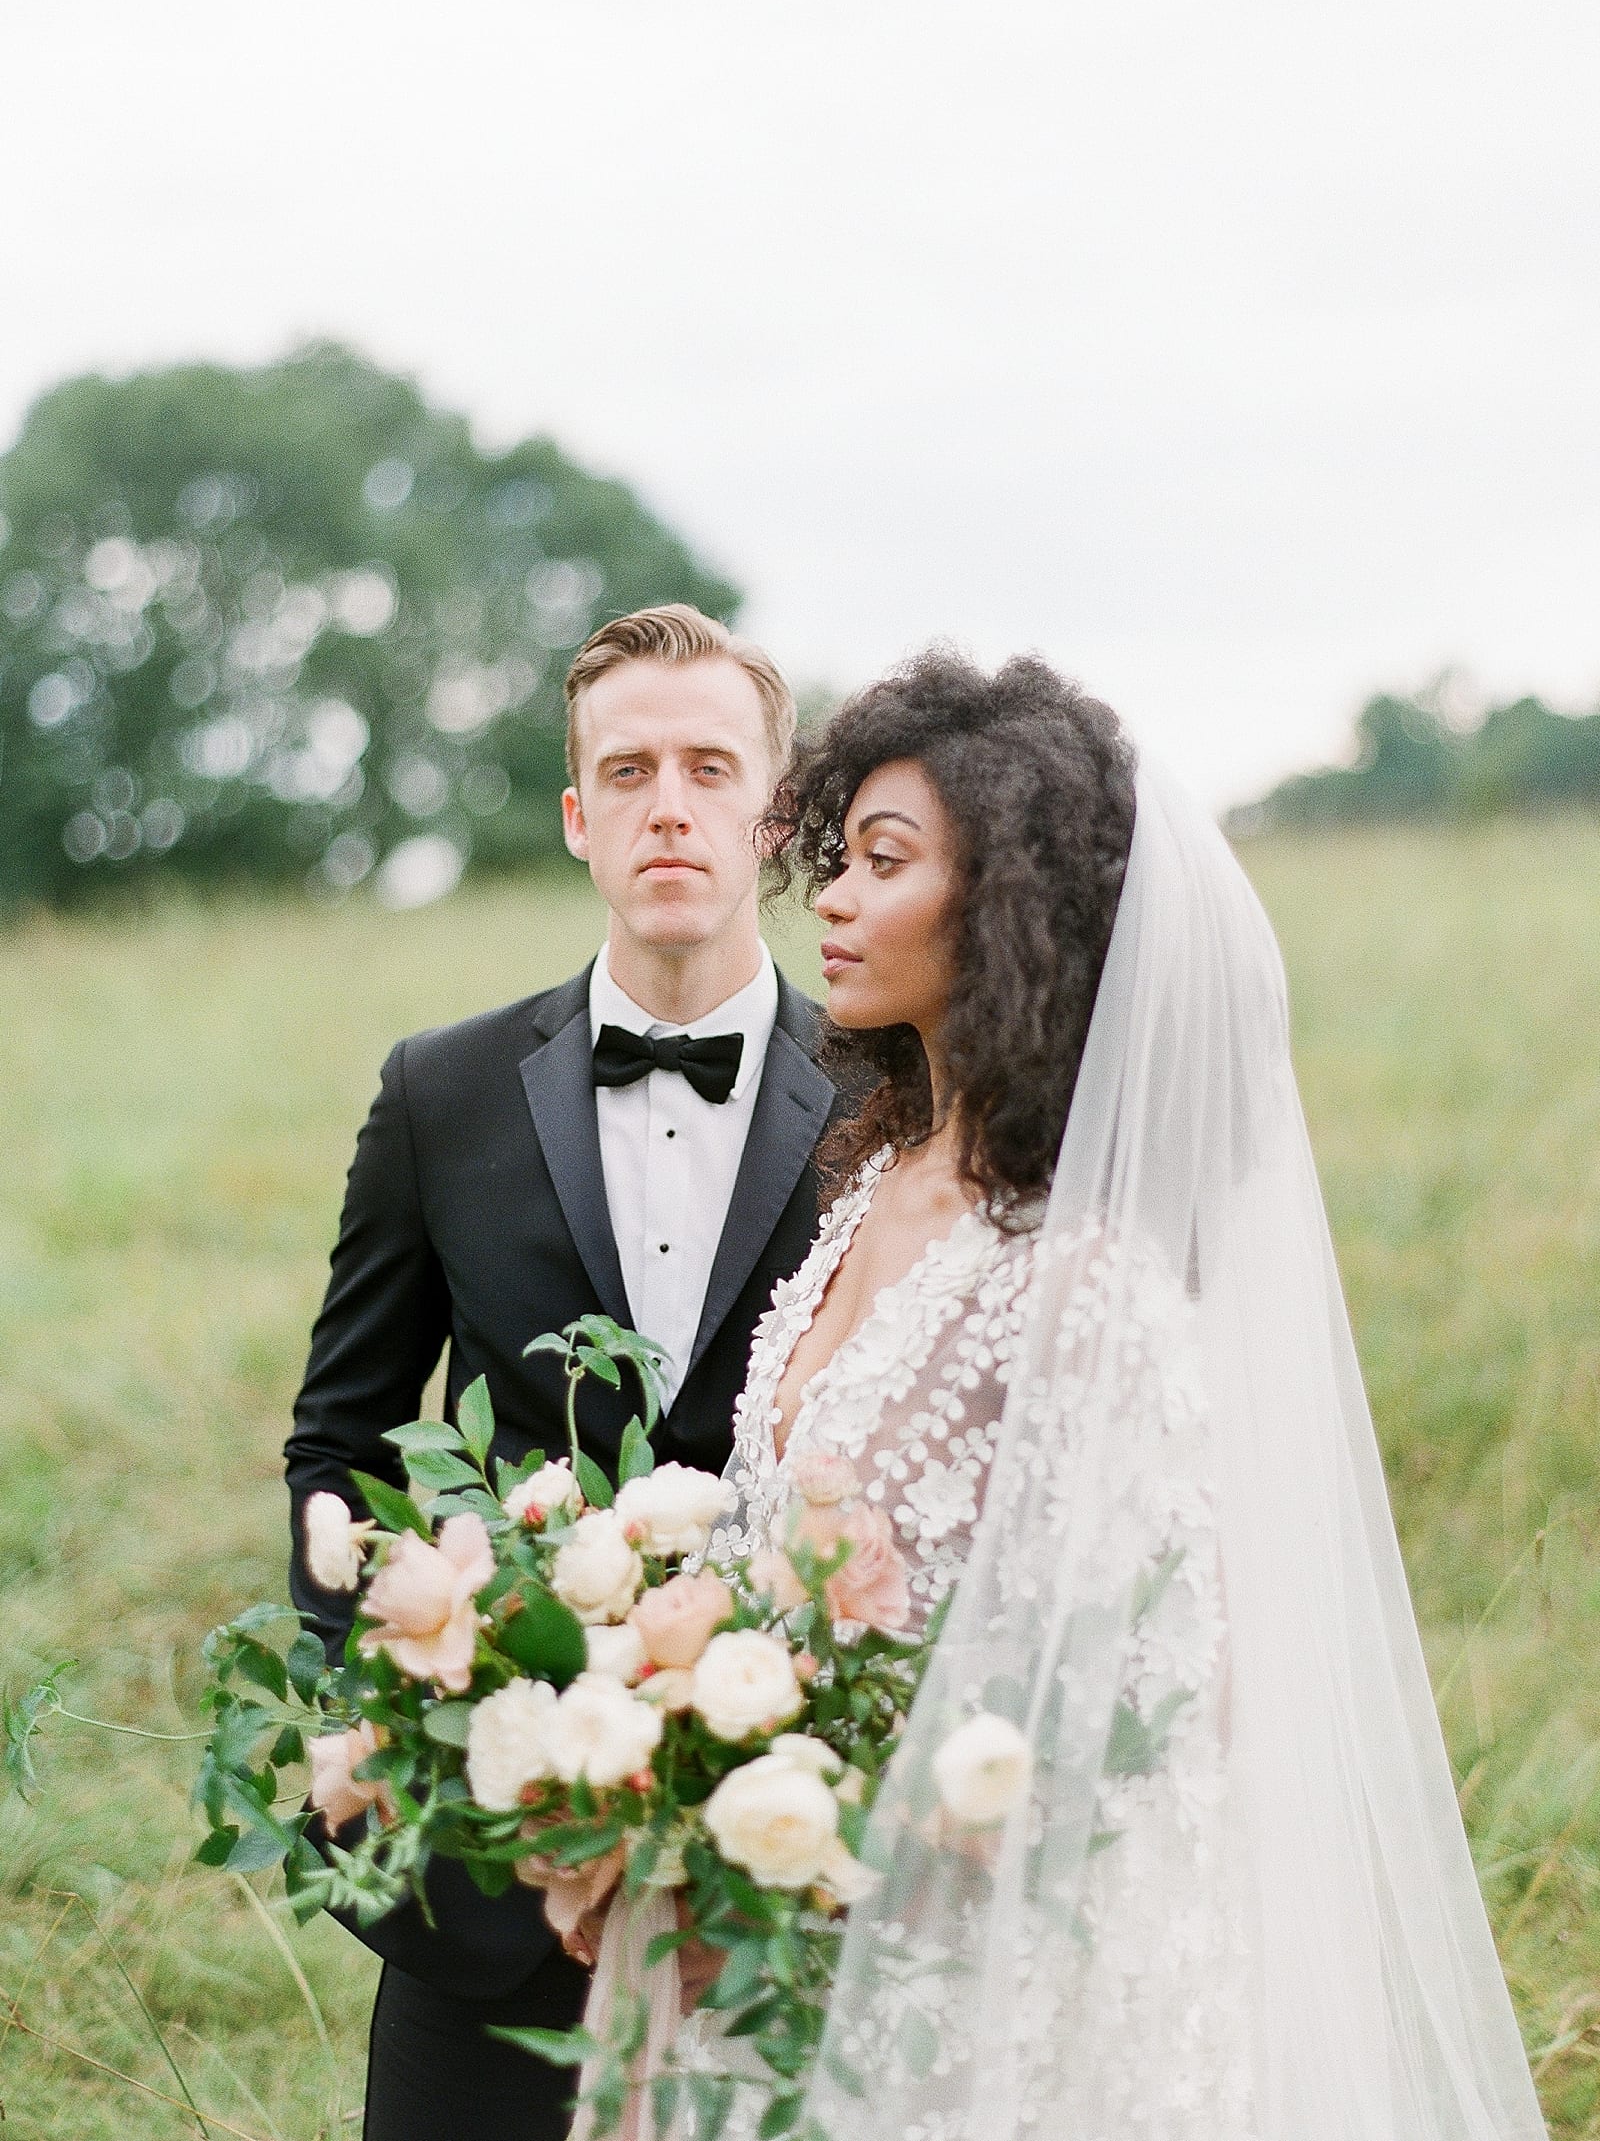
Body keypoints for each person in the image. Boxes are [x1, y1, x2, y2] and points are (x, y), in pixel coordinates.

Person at [677, 646, 1546, 2139]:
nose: (829, 896)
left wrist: (894, 1846)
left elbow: (1173, 1685)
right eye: (837, 855)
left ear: (1009, 907)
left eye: (885, 863)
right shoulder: (870, 1183)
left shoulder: (1083, 1275)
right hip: (780, 1923)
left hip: (981, 1965)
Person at [283, 604, 842, 2141]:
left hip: (795, 1858)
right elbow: (337, 1438)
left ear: (777, 812)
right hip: (491, 1856)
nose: (674, 800)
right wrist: (381, 1732)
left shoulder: (887, 1093)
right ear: (579, 816)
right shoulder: (440, 1090)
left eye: (713, 765)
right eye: (632, 767)